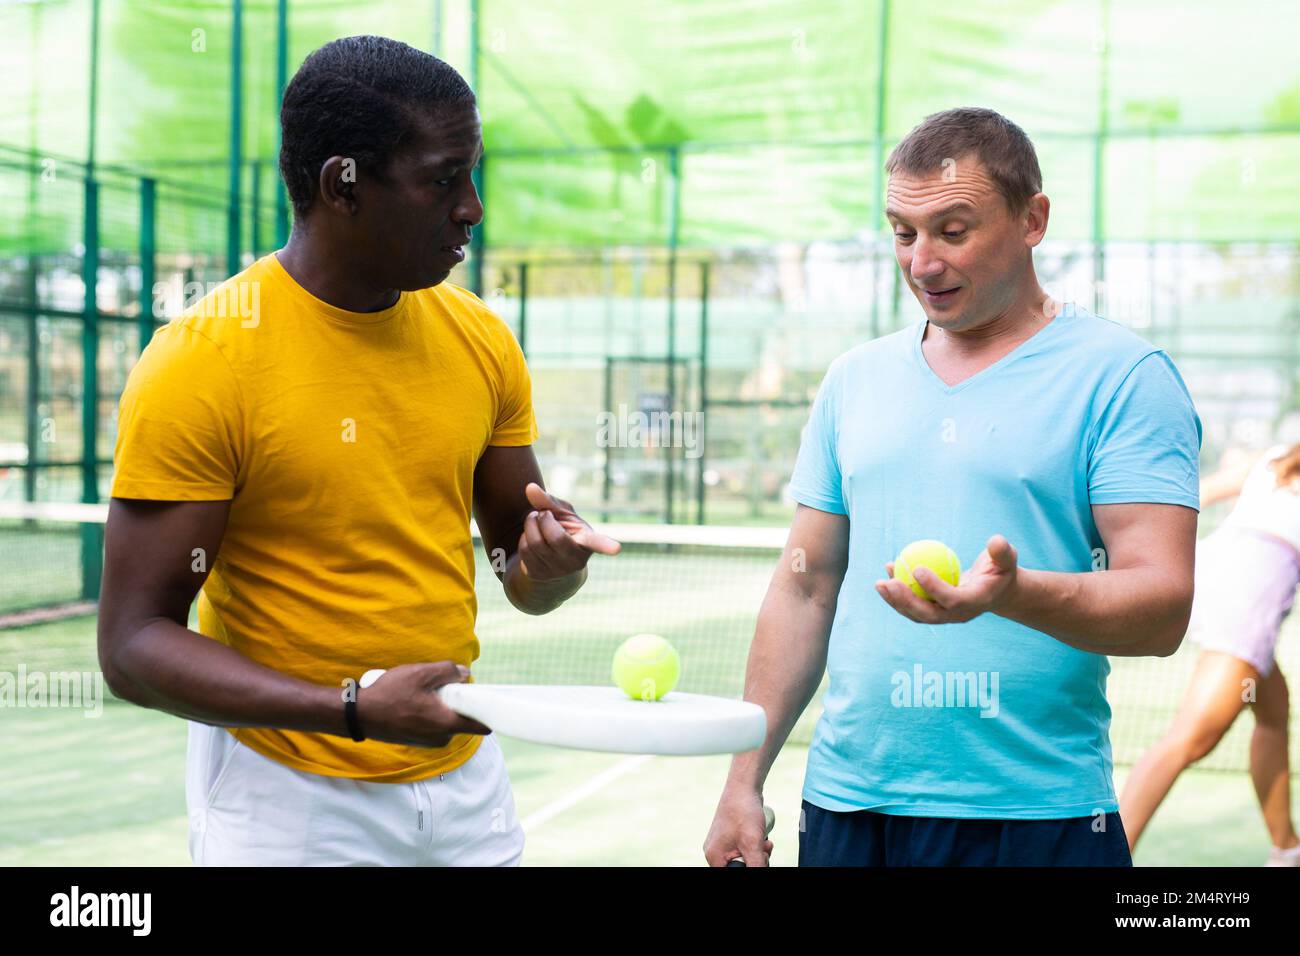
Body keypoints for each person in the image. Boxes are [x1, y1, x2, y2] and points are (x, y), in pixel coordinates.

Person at [98, 35, 618, 866]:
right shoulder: (203, 360)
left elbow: (519, 573)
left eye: (473, 173)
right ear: (344, 185)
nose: (472, 207)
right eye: (443, 178)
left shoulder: (480, 338)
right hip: (288, 797)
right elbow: (132, 646)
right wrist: (348, 707)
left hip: (466, 774)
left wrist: (552, 567)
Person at [704, 107, 1202, 867]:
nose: (922, 262)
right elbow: (805, 587)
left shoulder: (1125, 378)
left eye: (953, 230)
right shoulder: (853, 379)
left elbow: (1161, 609)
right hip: (848, 809)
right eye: (904, 232)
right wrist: (744, 779)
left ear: (1033, 219)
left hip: (1038, 818)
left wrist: (1013, 593)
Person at [1120, 444, 1300, 865]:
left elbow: (1192, 495)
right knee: (1189, 739)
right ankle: (1108, 855)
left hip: (1215, 576)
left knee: (1272, 711)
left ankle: (1287, 848)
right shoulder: (1271, 462)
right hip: (1246, 606)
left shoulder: (1271, 460)